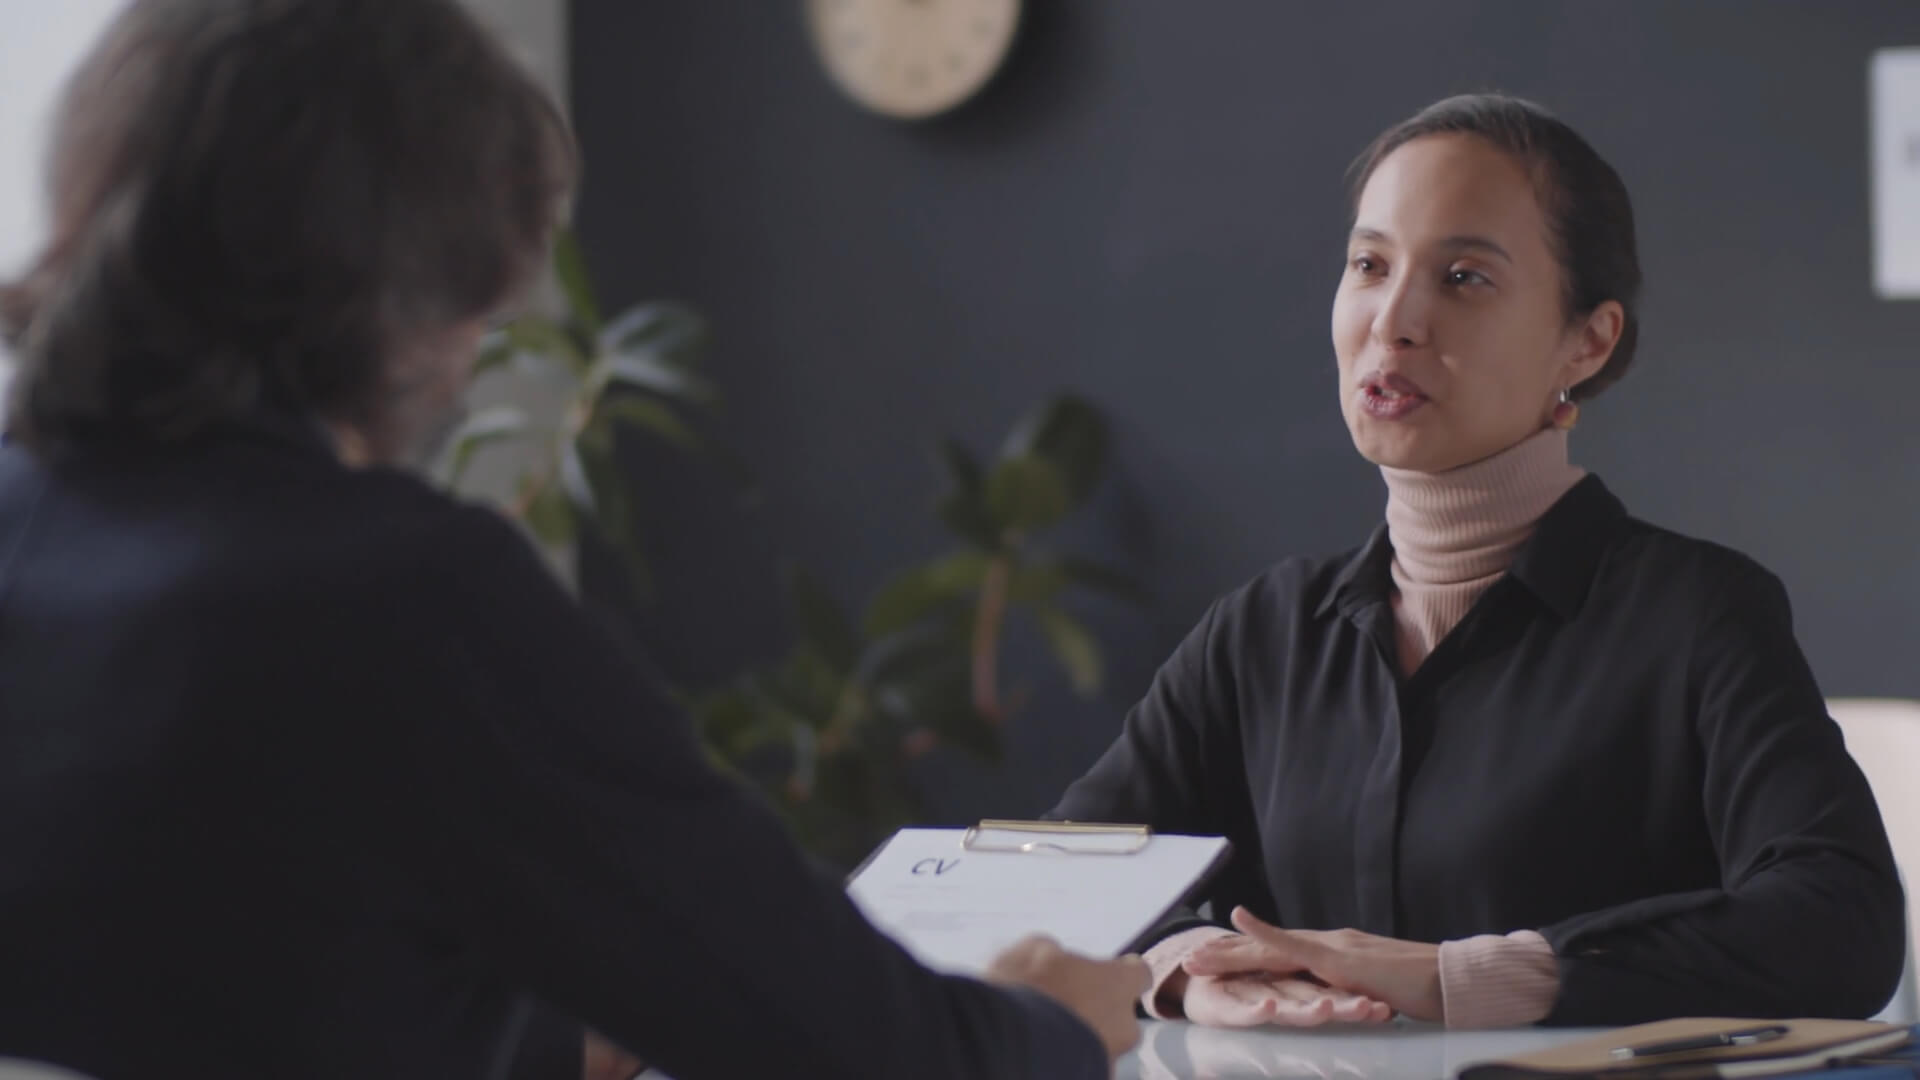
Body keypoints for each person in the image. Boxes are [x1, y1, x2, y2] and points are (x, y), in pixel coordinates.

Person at [0, 2, 1148, 1078]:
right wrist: (1051, 1018)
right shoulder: (397, 592)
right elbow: (873, 1050)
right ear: (417, 274)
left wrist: (567, 1042)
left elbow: (242, 984)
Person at [1052, 93, 1906, 1031]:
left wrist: (1469, 979)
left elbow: (1842, 926)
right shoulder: (1262, 634)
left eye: (1463, 276)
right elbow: (1059, 879)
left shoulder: (1699, 615)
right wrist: (1187, 966)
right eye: (1370, 265)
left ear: (1588, 339)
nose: (1395, 319)